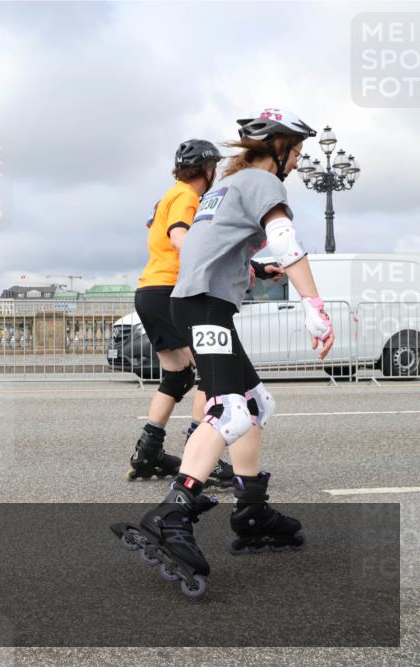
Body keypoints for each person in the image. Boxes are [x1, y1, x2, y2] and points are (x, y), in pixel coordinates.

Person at [115, 108, 335, 597]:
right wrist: (314, 306)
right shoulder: (262, 182)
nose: (298, 164)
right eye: (296, 152)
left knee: (257, 404)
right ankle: (172, 514)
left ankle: (251, 508)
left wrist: (255, 272)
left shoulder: (220, 191)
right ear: (276, 148)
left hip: (196, 301)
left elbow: (203, 250)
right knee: (229, 410)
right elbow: (285, 239)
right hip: (204, 307)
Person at [128, 139, 236, 488]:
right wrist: (212, 261)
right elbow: (178, 237)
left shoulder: (168, 195)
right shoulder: (187, 197)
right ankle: (198, 451)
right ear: (208, 169)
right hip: (169, 290)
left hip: (148, 291)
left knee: (177, 377)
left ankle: (148, 453)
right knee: (210, 370)